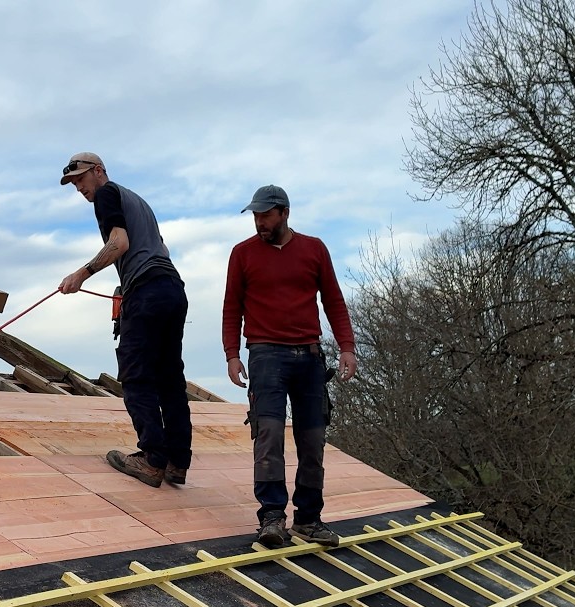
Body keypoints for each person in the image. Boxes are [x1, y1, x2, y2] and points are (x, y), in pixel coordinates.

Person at [222, 184, 357, 547]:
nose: (259, 222)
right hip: (265, 356)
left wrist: (347, 347)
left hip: (310, 357)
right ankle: (271, 518)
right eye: (255, 216)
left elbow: (333, 301)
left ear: (284, 213)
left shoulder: (314, 249)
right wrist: (232, 354)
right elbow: (232, 307)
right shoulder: (242, 254)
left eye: (265, 215)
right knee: (268, 437)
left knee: (313, 440)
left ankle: (309, 519)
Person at [57, 152, 192, 488]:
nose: (79, 188)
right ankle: (177, 462)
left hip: (146, 291)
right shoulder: (139, 202)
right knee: (170, 379)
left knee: (136, 374)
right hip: (172, 289)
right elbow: (160, 248)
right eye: (73, 183)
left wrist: (81, 274)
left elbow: (119, 243)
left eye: (80, 179)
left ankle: (152, 459)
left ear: (99, 171)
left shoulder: (106, 195)